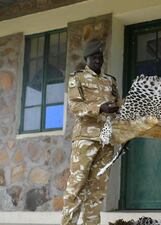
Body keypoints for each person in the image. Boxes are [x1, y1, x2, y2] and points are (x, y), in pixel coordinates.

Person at [61, 39, 121, 225]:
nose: (97, 59)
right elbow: (75, 106)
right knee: (77, 186)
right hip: (85, 139)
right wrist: (99, 108)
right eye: (93, 56)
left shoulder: (110, 81)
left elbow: (118, 106)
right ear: (86, 58)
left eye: (100, 56)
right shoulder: (77, 78)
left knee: (97, 190)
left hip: (107, 141)